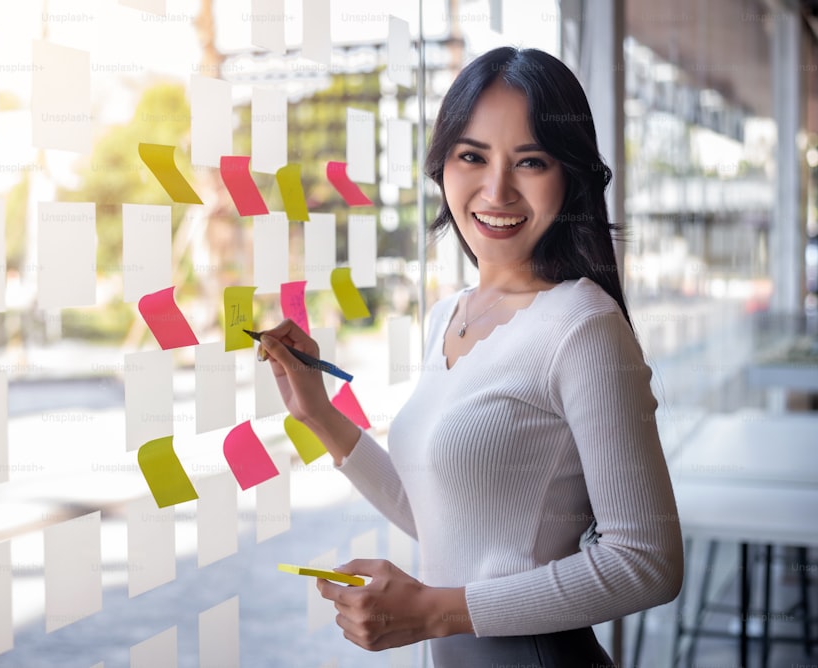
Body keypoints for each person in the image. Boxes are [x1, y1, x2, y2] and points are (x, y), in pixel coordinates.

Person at [257, 46, 683, 666]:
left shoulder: (582, 326)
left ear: (569, 175)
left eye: (530, 161)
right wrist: (318, 414)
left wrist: (433, 610)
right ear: (443, 168)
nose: (496, 189)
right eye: (472, 157)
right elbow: (449, 522)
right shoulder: (447, 315)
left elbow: (647, 562)